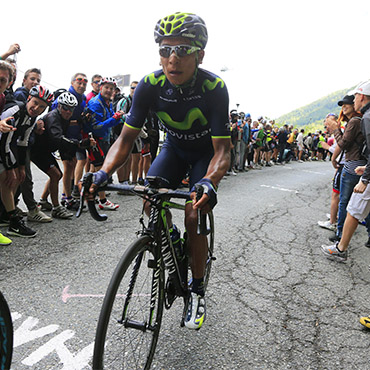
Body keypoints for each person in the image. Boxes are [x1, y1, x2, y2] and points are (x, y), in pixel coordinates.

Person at [88, 12, 230, 330]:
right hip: (174, 149)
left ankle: (196, 289)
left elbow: (223, 151)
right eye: (165, 50)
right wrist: (103, 173)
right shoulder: (150, 85)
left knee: (193, 214)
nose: (173, 59)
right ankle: (168, 244)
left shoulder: (214, 87)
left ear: (200, 55)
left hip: (204, 156)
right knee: (151, 198)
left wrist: (209, 181)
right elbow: (124, 140)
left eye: (182, 50)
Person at [321, 80, 370, 262]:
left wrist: (365, 177)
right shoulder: (363, 118)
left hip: (355, 168)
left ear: (361, 98)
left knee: (350, 205)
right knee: (354, 207)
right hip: (360, 167)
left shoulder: (362, 119)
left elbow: (343, 144)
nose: (346, 106)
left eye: (352, 99)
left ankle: (340, 245)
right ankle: (341, 245)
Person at [31, 92, 95, 218]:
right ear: (59, 106)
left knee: (57, 175)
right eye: (65, 107)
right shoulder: (54, 117)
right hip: (37, 150)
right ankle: (56, 208)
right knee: (56, 174)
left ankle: (43, 200)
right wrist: (80, 144)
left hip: (45, 149)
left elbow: (60, 140)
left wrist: (68, 153)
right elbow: (58, 139)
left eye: (71, 109)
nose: (68, 111)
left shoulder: (64, 118)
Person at [0, 85, 53, 237]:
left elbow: (23, 143)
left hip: (7, 145)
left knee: (15, 178)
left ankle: (6, 214)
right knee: (6, 178)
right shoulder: (15, 110)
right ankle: (14, 222)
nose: (36, 108)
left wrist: (21, 167)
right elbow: (4, 143)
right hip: (2, 144)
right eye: (35, 103)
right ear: (29, 98)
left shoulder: (32, 118)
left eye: (42, 107)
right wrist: (11, 169)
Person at [84, 77, 122, 210]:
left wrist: (117, 117)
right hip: (97, 140)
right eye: (106, 87)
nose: (109, 90)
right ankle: (102, 200)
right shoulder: (96, 103)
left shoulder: (108, 102)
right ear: (101, 88)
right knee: (100, 169)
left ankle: (87, 193)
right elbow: (97, 127)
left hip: (104, 139)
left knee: (94, 169)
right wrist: (114, 118)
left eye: (111, 88)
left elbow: (112, 121)